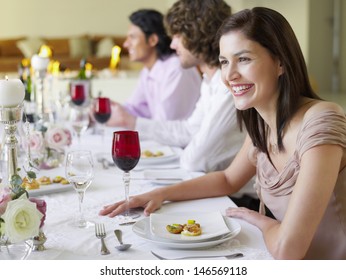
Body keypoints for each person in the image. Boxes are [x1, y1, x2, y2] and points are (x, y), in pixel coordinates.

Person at [100, 7, 346, 260]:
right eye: (225, 62)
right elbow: (228, 179)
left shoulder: (321, 119)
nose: (229, 76)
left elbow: (287, 250)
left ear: (280, 62)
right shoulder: (262, 124)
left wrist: (260, 221)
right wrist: (159, 194)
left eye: (244, 59)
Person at [107, 0, 247, 173]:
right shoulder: (209, 81)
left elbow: (195, 161)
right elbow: (188, 131)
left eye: (178, 36)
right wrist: (133, 122)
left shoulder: (228, 85)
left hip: (238, 198)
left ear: (198, 35)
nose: (172, 45)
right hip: (211, 183)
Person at [110, 9, 201, 121]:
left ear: (152, 40)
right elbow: (134, 109)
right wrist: (109, 108)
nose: (125, 44)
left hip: (180, 137)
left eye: (132, 37)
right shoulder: (148, 71)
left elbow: (166, 124)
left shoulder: (176, 69)